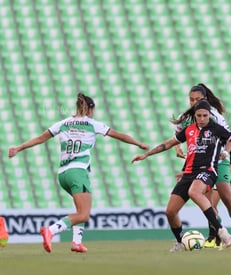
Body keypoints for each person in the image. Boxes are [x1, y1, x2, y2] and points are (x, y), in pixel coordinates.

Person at [8, 93, 149, 253]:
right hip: (77, 172)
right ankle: (51, 230)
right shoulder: (92, 124)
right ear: (90, 109)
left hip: (63, 174)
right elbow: (120, 135)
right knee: (84, 215)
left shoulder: (63, 123)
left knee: (80, 210)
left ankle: (76, 243)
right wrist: (139, 143)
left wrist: (18, 148)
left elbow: (40, 138)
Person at [132, 99, 231, 252]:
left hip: (208, 171)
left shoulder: (216, 129)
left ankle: (222, 232)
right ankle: (180, 242)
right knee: (170, 211)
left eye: (204, 116)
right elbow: (168, 144)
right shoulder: (189, 130)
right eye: (198, 116)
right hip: (188, 173)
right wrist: (146, 155)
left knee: (194, 192)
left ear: (209, 115)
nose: (201, 119)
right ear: (194, 116)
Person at [172, 83, 231, 249]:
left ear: (205, 99)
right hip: (200, 163)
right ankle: (215, 236)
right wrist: (179, 151)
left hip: (220, 159)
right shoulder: (185, 118)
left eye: (198, 99)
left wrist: (226, 155)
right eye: (191, 99)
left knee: (226, 196)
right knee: (208, 203)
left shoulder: (214, 117)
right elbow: (177, 137)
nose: (194, 102)